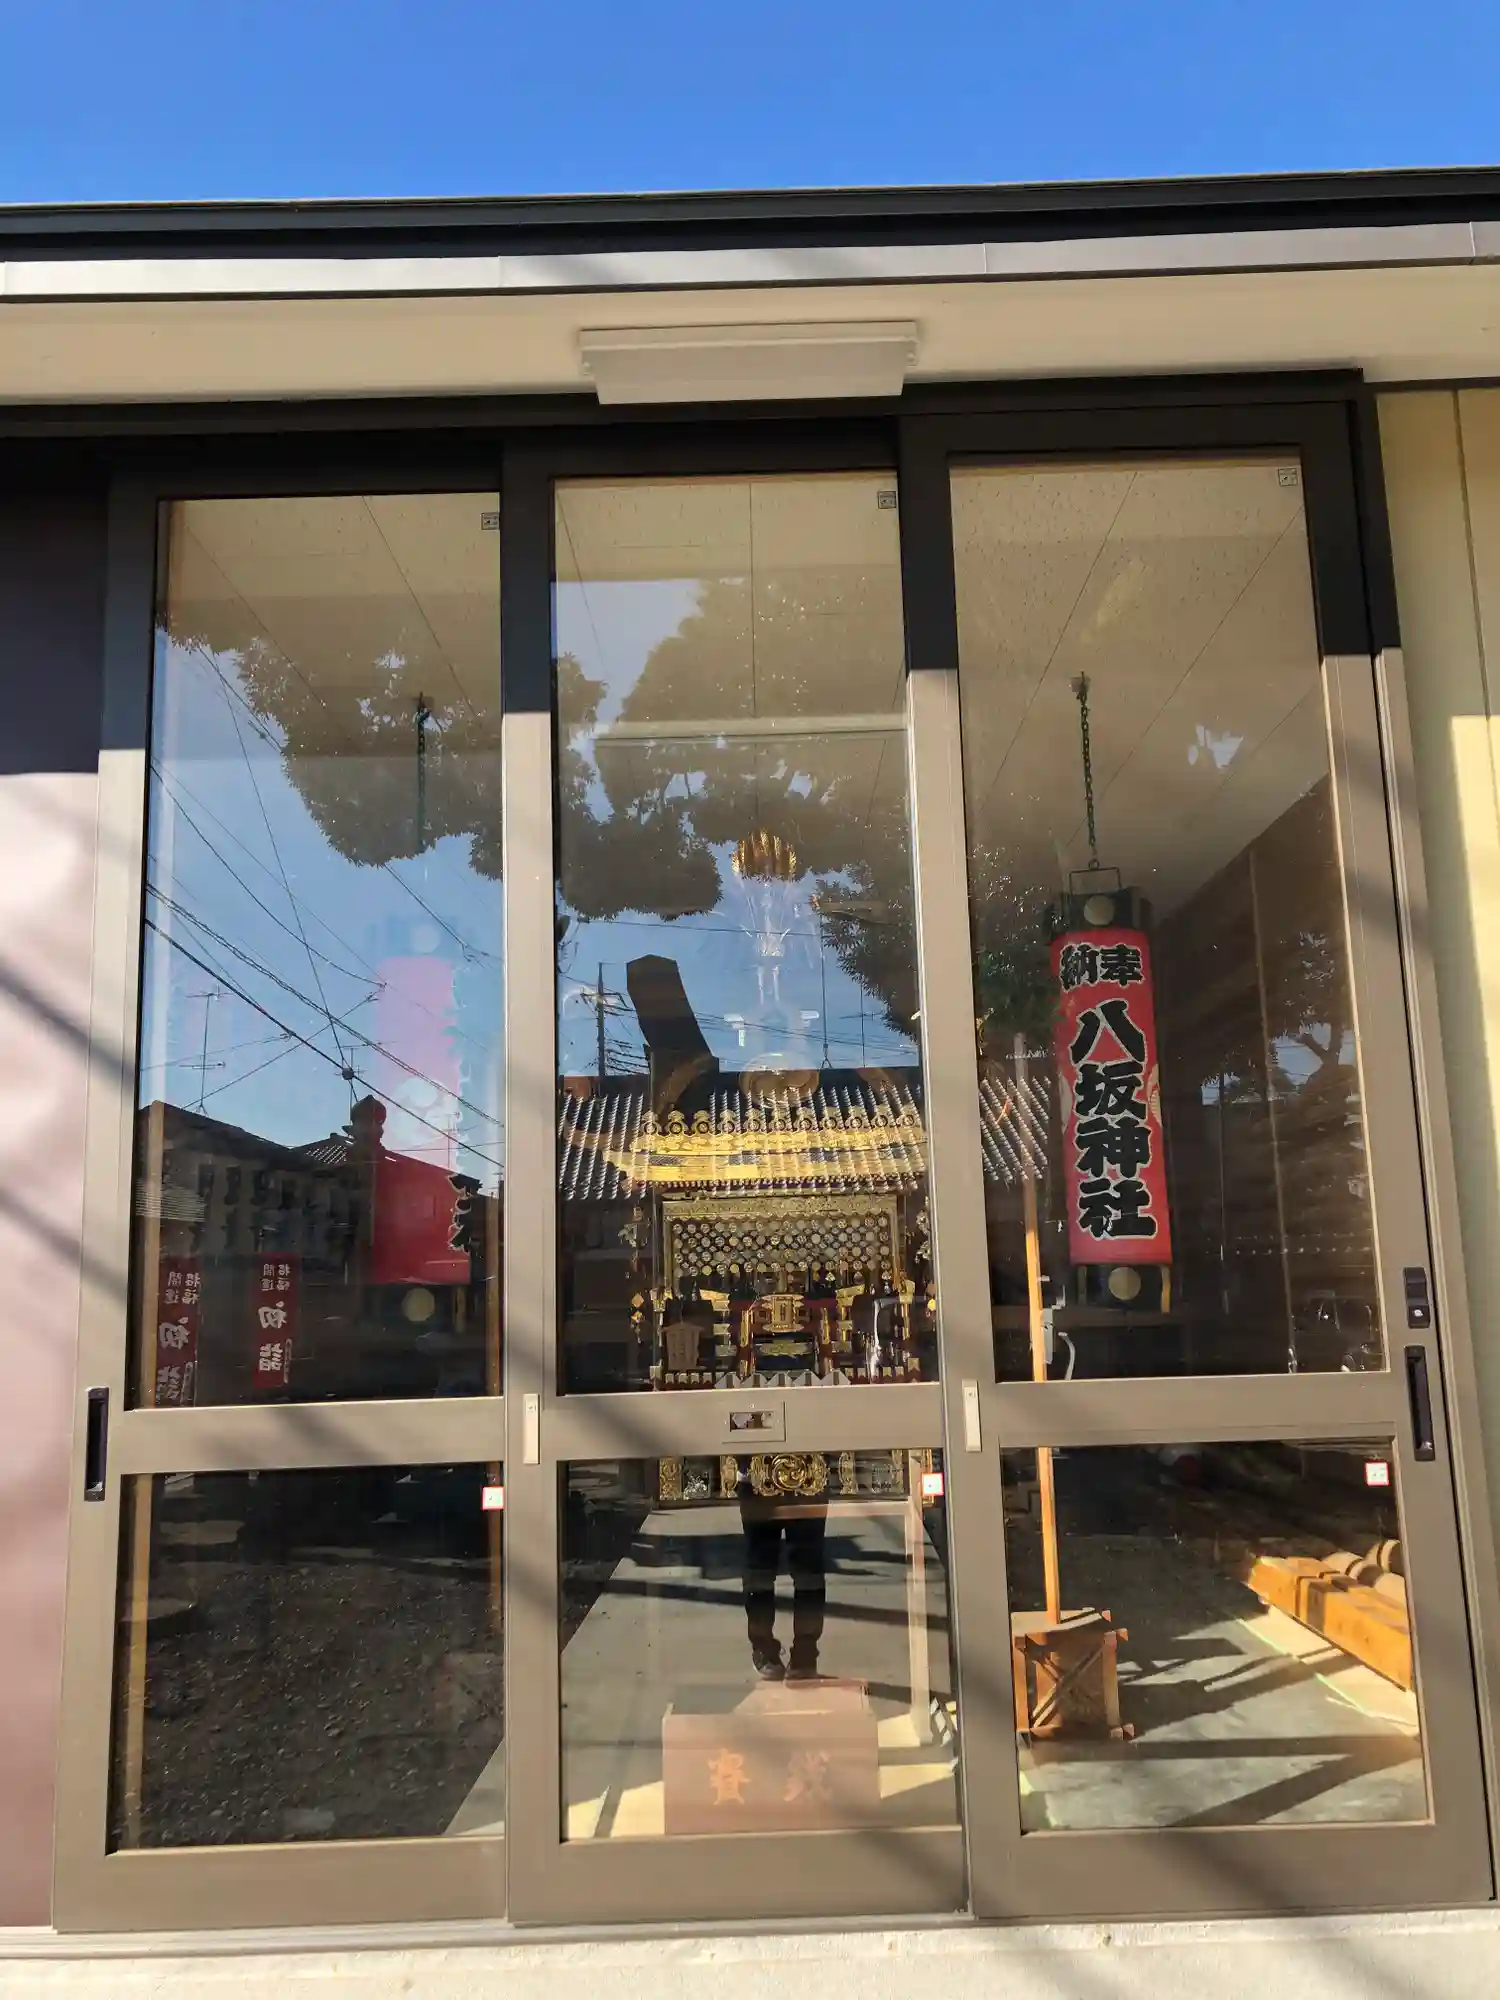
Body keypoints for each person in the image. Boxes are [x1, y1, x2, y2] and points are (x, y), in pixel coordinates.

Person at [738, 1478, 828, 1680]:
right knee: (760, 1568)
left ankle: (805, 1653)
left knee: (808, 1569)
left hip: (807, 1477)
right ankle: (763, 1647)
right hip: (758, 1476)